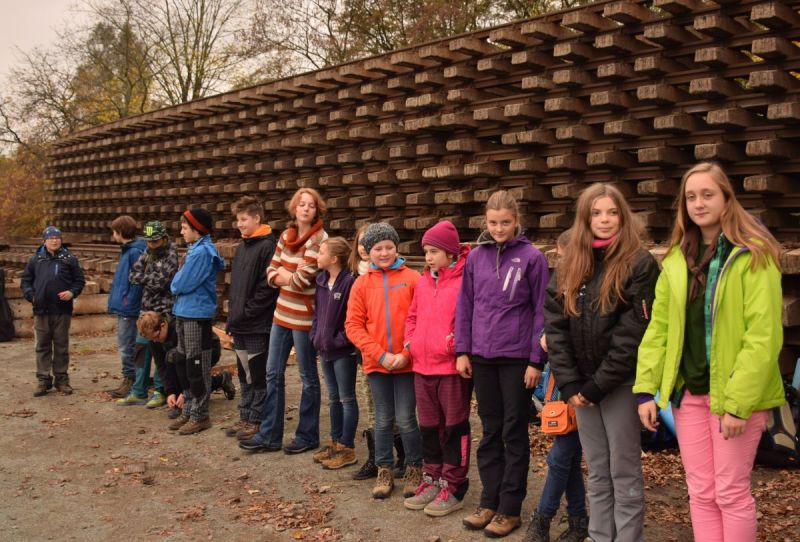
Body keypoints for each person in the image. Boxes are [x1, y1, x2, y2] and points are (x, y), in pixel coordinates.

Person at [635, 162, 785, 542]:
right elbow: (660, 329)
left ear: (726, 198)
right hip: (689, 396)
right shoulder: (675, 259)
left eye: (707, 195)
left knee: (730, 492)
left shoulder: (753, 255)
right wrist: (646, 389)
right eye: (690, 197)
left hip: (734, 398)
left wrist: (738, 403)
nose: (698, 204)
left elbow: (763, 337)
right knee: (701, 493)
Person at [545, 183, 658, 542]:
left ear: (622, 216)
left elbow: (632, 335)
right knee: (597, 469)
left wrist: (596, 386)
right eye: (596, 213)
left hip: (619, 384)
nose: (605, 220)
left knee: (623, 470)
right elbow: (556, 327)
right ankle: (598, 535)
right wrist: (572, 385)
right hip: (581, 387)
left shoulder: (639, 263)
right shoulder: (570, 263)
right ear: (585, 218)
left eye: (612, 212)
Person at [456, 190, 549, 538]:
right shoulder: (475, 258)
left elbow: (542, 311)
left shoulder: (532, 258)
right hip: (481, 356)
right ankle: (489, 500)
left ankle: (510, 508)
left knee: (513, 432)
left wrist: (536, 360)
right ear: (485, 221)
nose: (498, 228)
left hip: (516, 359)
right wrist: (463, 351)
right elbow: (465, 306)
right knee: (489, 431)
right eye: (493, 223)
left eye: (505, 222)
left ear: (516, 221)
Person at [239, 188, 328, 454]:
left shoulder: (320, 239)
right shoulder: (285, 236)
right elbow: (270, 270)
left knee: (307, 377)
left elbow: (303, 280)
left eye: (311, 206)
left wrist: (283, 275)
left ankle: (307, 435)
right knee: (272, 373)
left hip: (303, 317)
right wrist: (283, 275)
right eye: (301, 204)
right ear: (294, 208)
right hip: (281, 315)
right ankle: (270, 435)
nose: (305, 209)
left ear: (317, 210)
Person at [345, 222, 423, 500]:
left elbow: (421, 320)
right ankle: (384, 469)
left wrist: (405, 353)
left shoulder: (413, 278)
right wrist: (379, 354)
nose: (384, 252)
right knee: (382, 420)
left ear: (397, 247)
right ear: (367, 252)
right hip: (377, 364)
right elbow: (353, 326)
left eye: (389, 246)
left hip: (407, 363)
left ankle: (414, 467)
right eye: (378, 248)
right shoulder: (361, 284)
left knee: (405, 418)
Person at [403, 220, 472, 517]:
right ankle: (432, 478)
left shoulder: (463, 282)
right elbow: (412, 317)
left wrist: (455, 345)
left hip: (450, 369)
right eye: (426, 252)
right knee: (429, 428)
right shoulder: (422, 282)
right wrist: (410, 343)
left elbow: (468, 320)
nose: (429, 257)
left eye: (434, 251)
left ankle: (454, 484)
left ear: (449, 252)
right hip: (422, 367)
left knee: (454, 428)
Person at [525, 230, 588, 542]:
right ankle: (578, 521)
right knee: (568, 456)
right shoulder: (564, 285)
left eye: (567, 258)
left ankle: (542, 520)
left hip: (585, 384)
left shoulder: (590, 287)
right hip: (563, 381)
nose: (565, 264)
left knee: (560, 457)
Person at [225, 196, 279, 442]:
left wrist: (246, 314)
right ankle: (245, 416)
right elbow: (236, 288)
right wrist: (232, 319)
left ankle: (256, 420)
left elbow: (266, 289)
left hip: (256, 325)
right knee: (244, 373)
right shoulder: (243, 246)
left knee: (257, 375)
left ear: (257, 218)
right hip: (240, 324)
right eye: (238, 220)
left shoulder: (268, 247)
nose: (240, 224)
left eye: (244, 219)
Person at [168, 208, 225, 436]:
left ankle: (200, 414)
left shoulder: (203, 253)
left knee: (196, 364)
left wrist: (175, 284)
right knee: (183, 361)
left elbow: (181, 284)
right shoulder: (194, 249)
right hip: (184, 311)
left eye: (184, 227)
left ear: (196, 229)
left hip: (196, 314)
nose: (181, 231)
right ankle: (189, 408)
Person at [310, 237, 359, 470]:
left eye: (321, 252)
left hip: (343, 351)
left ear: (333, 259)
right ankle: (335, 441)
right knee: (332, 398)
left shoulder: (349, 283)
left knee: (346, 398)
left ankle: (347, 448)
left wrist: (338, 340)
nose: (316, 256)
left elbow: (352, 319)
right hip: (324, 349)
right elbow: (317, 315)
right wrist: (315, 336)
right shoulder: (320, 282)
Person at [121, 220, 179, 407]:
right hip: (145, 309)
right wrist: (149, 278)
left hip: (163, 311)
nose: (151, 245)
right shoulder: (147, 252)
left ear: (163, 238)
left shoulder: (171, 253)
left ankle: (160, 391)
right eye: (148, 242)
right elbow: (133, 275)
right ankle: (138, 391)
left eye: (154, 242)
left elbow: (160, 284)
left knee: (161, 353)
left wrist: (145, 279)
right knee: (140, 349)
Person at [22, 226, 85, 396]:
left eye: (57, 237)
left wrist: (72, 292)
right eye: (51, 238)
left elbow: (79, 281)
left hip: (62, 310)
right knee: (42, 346)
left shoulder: (69, 259)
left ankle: (62, 380)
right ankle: (43, 380)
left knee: (61, 346)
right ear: (44, 241)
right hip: (41, 310)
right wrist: (32, 296)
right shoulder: (35, 260)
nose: (55, 240)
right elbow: (26, 282)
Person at [107, 215, 146, 400]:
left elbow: (137, 282)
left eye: (114, 232)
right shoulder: (129, 250)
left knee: (126, 345)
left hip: (128, 308)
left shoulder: (133, 252)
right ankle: (133, 378)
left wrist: (127, 302)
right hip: (126, 306)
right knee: (127, 344)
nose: (113, 235)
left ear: (120, 232)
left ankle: (130, 379)